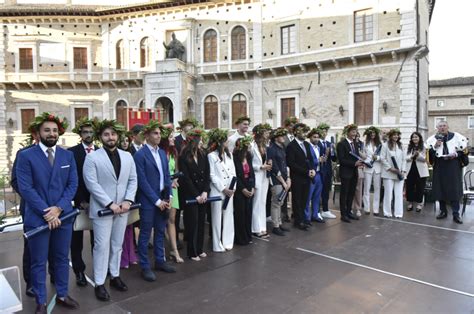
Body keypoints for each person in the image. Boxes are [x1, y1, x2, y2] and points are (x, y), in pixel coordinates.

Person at [17, 112, 79, 313]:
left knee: (61, 258)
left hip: (63, 216)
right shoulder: (26, 156)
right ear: (38, 133)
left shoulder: (67, 155)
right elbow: (26, 188)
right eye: (47, 130)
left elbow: (72, 184)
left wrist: (59, 208)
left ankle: (62, 294)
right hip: (38, 218)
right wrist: (47, 212)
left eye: (54, 130)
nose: (51, 133)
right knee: (38, 262)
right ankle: (41, 301)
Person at [83, 119, 137, 301]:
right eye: (106, 134)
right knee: (101, 246)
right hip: (102, 210)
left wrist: (128, 201)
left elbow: (132, 180)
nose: (111, 137)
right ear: (100, 137)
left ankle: (114, 276)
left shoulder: (127, 156)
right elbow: (91, 183)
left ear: (118, 136)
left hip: (123, 209)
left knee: (117, 244)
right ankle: (99, 283)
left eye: (113, 134)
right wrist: (109, 204)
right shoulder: (92, 157)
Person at [133, 120, 175, 282]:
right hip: (149, 201)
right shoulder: (140, 155)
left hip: (163, 199)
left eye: (159, 133)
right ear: (147, 136)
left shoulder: (162, 153)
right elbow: (142, 181)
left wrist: (169, 196)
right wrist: (157, 201)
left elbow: (166, 176)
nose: (159, 136)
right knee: (145, 234)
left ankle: (160, 261)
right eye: (155, 133)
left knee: (159, 232)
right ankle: (144, 266)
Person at [68, 117, 98, 285]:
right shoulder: (72, 153)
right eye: (85, 132)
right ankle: (79, 271)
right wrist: (80, 201)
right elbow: (73, 179)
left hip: (98, 202)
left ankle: (100, 269)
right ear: (80, 134)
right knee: (76, 241)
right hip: (78, 204)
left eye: (91, 131)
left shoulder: (101, 151)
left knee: (98, 239)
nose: (88, 134)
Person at [11, 129, 40, 298]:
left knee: (55, 245)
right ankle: (31, 282)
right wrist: (33, 198)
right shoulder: (23, 153)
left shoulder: (59, 154)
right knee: (31, 245)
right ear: (35, 135)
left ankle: (54, 276)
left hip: (54, 208)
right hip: (30, 208)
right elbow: (15, 181)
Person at [427, 121, 469, 224]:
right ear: (437, 128)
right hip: (440, 165)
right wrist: (436, 146)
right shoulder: (433, 139)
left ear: (448, 126)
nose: (442, 128)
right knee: (440, 188)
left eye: (444, 126)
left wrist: (456, 155)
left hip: (453, 165)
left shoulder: (457, 137)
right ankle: (443, 211)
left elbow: (463, 150)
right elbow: (430, 153)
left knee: (454, 188)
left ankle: (456, 214)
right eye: (440, 126)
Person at [178, 128, 210, 261]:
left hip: (202, 193)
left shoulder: (203, 154)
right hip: (191, 194)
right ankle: (192, 252)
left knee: (201, 221)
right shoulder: (184, 155)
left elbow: (207, 174)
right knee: (193, 223)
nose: (200, 142)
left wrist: (205, 191)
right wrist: (196, 194)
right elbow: (186, 178)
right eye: (197, 139)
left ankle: (200, 248)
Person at [208, 128, 237, 252]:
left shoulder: (229, 155)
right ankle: (217, 243)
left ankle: (228, 241)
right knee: (216, 217)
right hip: (218, 191)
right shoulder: (211, 156)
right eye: (225, 141)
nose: (227, 143)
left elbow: (233, 172)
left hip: (230, 190)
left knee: (229, 215)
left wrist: (232, 188)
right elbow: (212, 175)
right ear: (220, 142)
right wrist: (223, 188)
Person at [159, 123, 184, 263]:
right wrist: (169, 181)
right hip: (163, 190)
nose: (173, 139)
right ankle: (162, 250)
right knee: (162, 221)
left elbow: (175, 171)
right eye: (170, 137)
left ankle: (174, 250)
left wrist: (175, 179)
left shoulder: (173, 153)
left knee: (172, 219)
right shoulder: (161, 153)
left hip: (174, 189)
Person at [286, 123, 315, 230]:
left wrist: (312, 170)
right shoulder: (291, 146)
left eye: (305, 132)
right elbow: (292, 163)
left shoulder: (307, 144)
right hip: (297, 177)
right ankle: (298, 221)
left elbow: (311, 158)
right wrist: (306, 171)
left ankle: (303, 219)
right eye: (302, 132)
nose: (304, 134)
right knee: (297, 200)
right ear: (295, 132)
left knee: (305, 199)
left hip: (307, 177)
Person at [117, 131, 139, 269]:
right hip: (117, 198)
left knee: (129, 227)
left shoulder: (130, 155)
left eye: (127, 140)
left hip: (129, 196)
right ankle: (123, 258)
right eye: (123, 140)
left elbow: (133, 177)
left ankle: (131, 256)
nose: (125, 142)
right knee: (121, 231)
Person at [266, 127, 291, 236]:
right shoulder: (271, 149)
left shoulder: (282, 147)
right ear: (276, 138)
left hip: (284, 178)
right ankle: (275, 226)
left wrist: (288, 178)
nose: (283, 138)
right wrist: (283, 181)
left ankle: (279, 223)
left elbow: (285, 164)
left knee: (280, 202)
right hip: (276, 180)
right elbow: (274, 167)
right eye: (281, 136)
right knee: (276, 202)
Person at [336, 124, 363, 223]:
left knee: (351, 192)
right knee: (344, 193)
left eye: (355, 132)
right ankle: (343, 214)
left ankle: (349, 212)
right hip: (346, 172)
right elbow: (342, 160)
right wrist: (354, 163)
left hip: (354, 172)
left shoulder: (355, 144)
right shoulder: (341, 144)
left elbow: (356, 156)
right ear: (348, 132)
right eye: (353, 132)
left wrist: (360, 163)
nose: (354, 134)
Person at [232, 136, 255, 244]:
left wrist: (253, 187)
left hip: (249, 186)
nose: (249, 148)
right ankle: (241, 238)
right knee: (240, 213)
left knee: (248, 213)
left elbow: (252, 173)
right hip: (240, 188)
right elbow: (235, 175)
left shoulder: (249, 156)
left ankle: (248, 235)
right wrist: (242, 189)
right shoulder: (235, 158)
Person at [251, 123, 272, 238]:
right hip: (257, 175)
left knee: (263, 202)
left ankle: (262, 227)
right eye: (265, 132)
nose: (268, 134)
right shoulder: (252, 145)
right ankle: (255, 228)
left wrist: (269, 164)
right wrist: (260, 167)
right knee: (257, 202)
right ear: (259, 133)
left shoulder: (266, 145)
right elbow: (249, 163)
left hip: (265, 176)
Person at [380, 128, 406, 219]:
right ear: (390, 136)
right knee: (388, 194)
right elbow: (382, 158)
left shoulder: (401, 145)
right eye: (394, 134)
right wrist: (391, 168)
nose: (396, 136)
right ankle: (387, 212)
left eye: (397, 135)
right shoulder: (385, 145)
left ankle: (398, 213)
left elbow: (404, 159)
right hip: (388, 173)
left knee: (399, 194)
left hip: (399, 173)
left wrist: (402, 170)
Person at [317, 123, 337, 219]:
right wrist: (325, 153)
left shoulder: (329, 144)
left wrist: (333, 151)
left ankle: (325, 209)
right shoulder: (317, 143)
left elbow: (334, 158)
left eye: (326, 131)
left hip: (328, 170)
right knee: (318, 191)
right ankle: (317, 210)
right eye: (323, 131)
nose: (324, 133)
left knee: (326, 190)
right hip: (320, 170)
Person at [405, 132, 429, 213]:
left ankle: (419, 204)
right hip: (410, 169)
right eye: (413, 137)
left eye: (416, 137)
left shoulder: (424, 147)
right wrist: (412, 156)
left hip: (421, 170)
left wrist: (418, 155)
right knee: (409, 187)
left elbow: (425, 159)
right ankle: (410, 203)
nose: (414, 138)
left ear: (420, 138)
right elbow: (405, 158)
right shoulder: (408, 147)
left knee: (420, 187)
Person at [305, 128, 324, 224]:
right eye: (314, 137)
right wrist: (318, 161)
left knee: (317, 196)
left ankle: (315, 215)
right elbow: (308, 160)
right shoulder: (307, 147)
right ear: (310, 137)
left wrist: (322, 160)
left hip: (319, 174)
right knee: (308, 197)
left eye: (318, 137)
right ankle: (307, 217)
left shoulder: (319, 147)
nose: (316, 139)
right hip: (311, 174)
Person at [362, 126, 382, 216]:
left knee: (377, 189)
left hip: (377, 168)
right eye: (371, 133)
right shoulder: (365, 144)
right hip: (368, 167)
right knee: (366, 188)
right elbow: (363, 155)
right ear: (368, 134)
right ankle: (366, 208)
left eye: (374, 133)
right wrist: (366, 162)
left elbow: (383, 157)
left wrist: (377, 157)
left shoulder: (380, 144)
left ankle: (376, 209)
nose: (373, 135)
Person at [352, 132, 365, 217]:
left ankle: (358, 208)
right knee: (350, 189)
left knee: (358, 190)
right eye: (355, 136)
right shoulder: (349, 144)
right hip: (350, 169)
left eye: (358, 137)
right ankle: (349, 207)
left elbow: (365, 157)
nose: (356, 138)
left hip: (359, 169)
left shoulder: (360, 145)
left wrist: (359, 151)